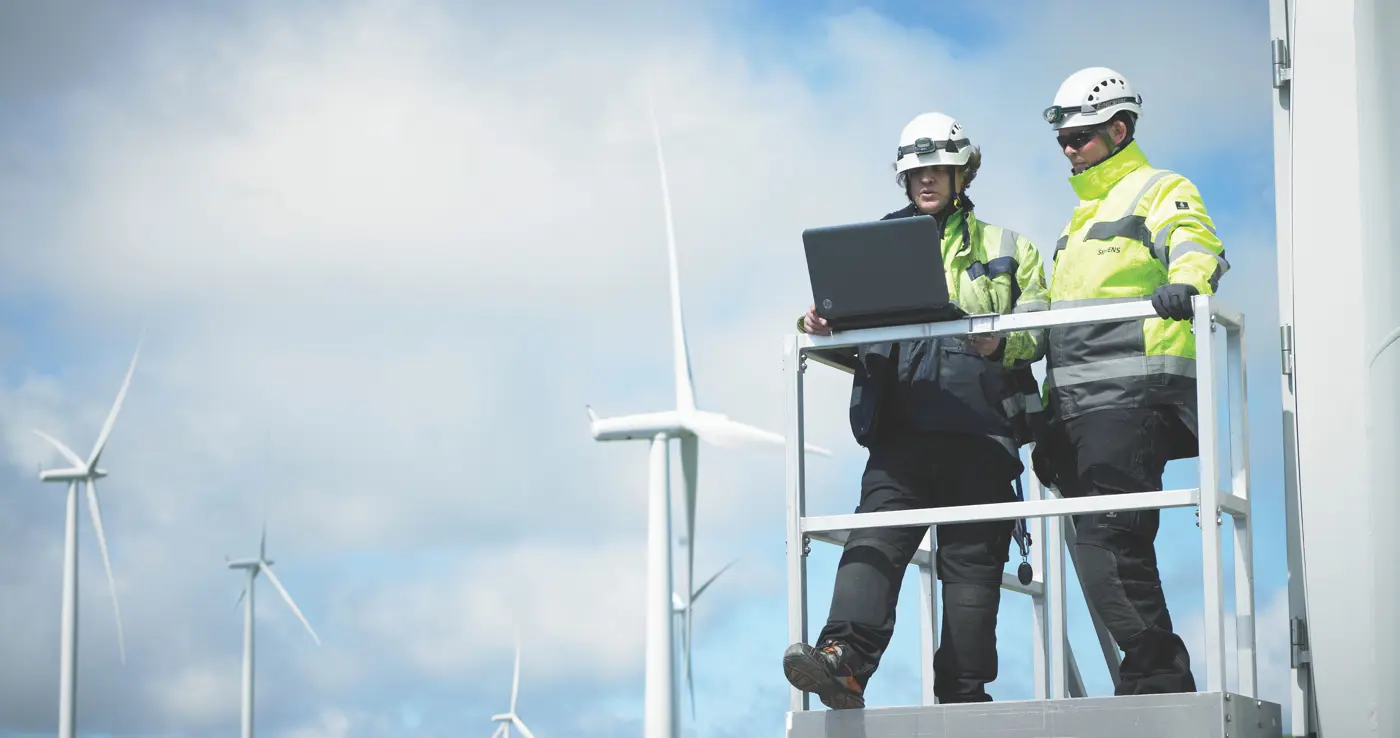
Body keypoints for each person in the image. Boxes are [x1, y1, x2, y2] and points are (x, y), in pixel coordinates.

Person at [782, 112, 1050, 709]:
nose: (926, 180)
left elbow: (1040, 329)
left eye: (937, 169)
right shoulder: (871, 246)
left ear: (962, 173)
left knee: (972, 584)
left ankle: (964, 695)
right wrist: (816, 324)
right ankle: (841, 665)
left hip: (982, 438)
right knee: (869, 549)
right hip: (900, 436)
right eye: (915, 171)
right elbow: (842, 327)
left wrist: (998, 340)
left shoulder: (1008, 248)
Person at [1031, 66, 1230, 695]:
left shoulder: (1158, 188)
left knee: (1110, 542)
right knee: (1113, 548)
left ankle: (1158, 677)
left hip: (1133, 400)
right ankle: (1150, 677)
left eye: (1082, 137)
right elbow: (1060, 329)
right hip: (1078, 411)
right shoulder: (1075, 226)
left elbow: (1197, 245)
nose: (1070, 148)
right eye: (1063, 139)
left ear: (1119, 129)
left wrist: (1187, 284)